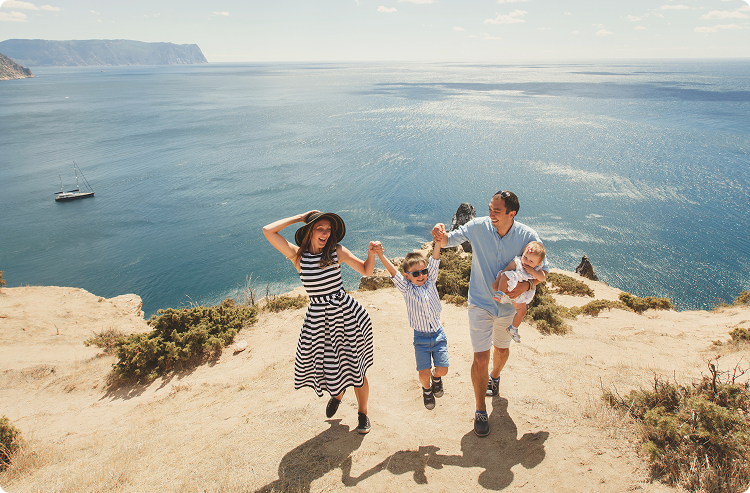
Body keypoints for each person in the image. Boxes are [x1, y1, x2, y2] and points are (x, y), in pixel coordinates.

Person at [432, 190, 548, 437]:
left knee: (502, 351)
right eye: (490, 208)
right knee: (481, 358)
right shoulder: (477, 226)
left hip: (508, 308)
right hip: (480, 302)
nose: (491, 213)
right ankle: (480, 410)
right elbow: (448, 241)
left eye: (497, 210)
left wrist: (526, 286)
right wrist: (439, 236)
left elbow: (543, 272)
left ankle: (495, 377)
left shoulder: (528, 237)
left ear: (511, 213)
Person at [263, 210, 378, 434]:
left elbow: (367, 270)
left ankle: (363, 414)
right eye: (320, 228)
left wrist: (370, 253)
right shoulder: (298, 256)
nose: (325, 233)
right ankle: (338, 393)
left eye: (328, 229)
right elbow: (268, 231)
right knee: (332, 366)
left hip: (346, 316)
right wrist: (298, 217)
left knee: (357, 368)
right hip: (320, 322)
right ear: (310, 231)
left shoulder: (337, 251)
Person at [373, 242, 449, 410]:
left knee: (443, 369)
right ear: (407, 276)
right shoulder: (407, 289)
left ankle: (436, 378)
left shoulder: (431, 282)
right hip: (420, 337)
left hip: (437, 333)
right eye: (415, 273)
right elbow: (393, 271)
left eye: (424, 271)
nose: (421, 275)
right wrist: (379, 254)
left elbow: (434, 259)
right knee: (423, 374)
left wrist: (437, 242)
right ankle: (427, 390)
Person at [491, 241, 548, 343]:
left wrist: (533, 272)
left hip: (521, 294)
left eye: (531, 261)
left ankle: (513, 329)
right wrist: (496, 282)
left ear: (538, 263)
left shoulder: (537, 268)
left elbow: (542, 278)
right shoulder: (518, 262)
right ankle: (499, 293)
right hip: (510, 284)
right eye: (525, 257)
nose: (526, 262)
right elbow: (505, 270)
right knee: (505, 275)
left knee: (522, 311)